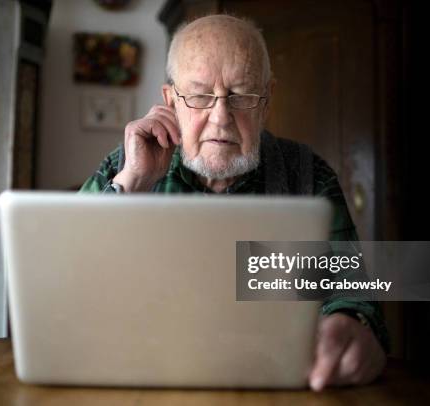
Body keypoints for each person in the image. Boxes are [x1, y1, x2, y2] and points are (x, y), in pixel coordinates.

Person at [80, 14, 388, 391]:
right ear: (170, 101)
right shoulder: (127, 164)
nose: (221, 118)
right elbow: (63, 278)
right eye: (199, 95)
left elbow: (351, 291)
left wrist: (353, 328)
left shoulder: (307, 175)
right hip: (137, 380)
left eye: (241, 96)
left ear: (266, 103)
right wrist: (131, 183)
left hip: (271, 384)